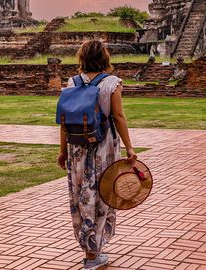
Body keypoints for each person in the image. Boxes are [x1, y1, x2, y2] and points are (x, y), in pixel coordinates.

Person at [57, 39, 137, 269]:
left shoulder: (72, 82)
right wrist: (130, 147)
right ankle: (93, 253)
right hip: (104, 147)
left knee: (82, 194)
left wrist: (62, 151)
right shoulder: (112, 83)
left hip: (77, 148)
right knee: (101, 193)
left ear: (82, 58)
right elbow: (118, 117)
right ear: (104, 57)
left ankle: (89, 248)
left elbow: (64, 122)